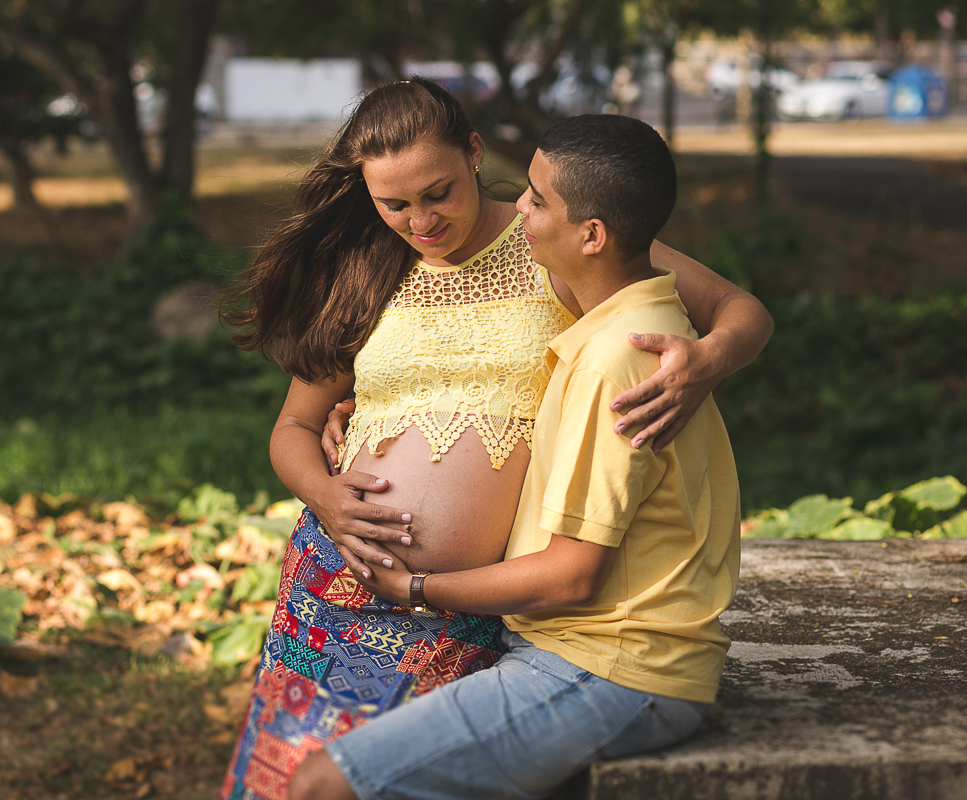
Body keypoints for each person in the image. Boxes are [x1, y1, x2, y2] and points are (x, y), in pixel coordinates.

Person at [220, 79, 770, 800]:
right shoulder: (364, 270)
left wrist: (706, 359)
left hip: (471, 604)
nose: (421, 219)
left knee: (377, 781)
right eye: (394, 203)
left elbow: (738, 308)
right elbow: (292, 426)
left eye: (438, 192)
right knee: (289, 778)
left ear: (475, 154)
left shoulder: (557, 239)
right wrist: (327, 496)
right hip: (340, 581)